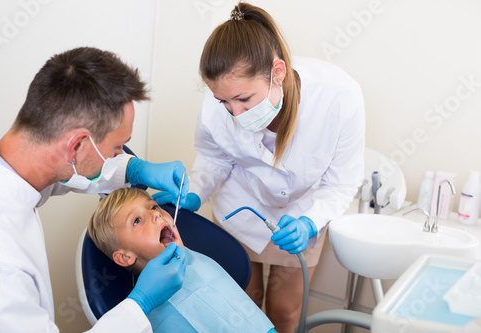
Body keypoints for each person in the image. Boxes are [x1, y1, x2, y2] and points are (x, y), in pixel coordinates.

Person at [154, 3, 365, 332]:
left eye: (244, 99)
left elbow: (341, 184)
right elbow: (214, 159)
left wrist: (310, 221)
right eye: (225, 102)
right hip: (240, 208)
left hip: (300, 214)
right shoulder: (215, 107)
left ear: (277, 72)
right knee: (242, 303)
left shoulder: (339, 99)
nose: (235, 113)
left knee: (284, 311)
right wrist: (194, 193)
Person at [0, 47, 189, 333]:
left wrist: (133, 170)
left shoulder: (4, 162)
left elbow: (63, 174)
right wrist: (140, 304)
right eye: (117, 147)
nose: (122, 153)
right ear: (76, 146)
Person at [88, 187, 276, 333]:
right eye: (137, 220)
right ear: (125, 257)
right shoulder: (157, 313)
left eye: (153, 206)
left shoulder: (190, 255)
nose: (156, 214)